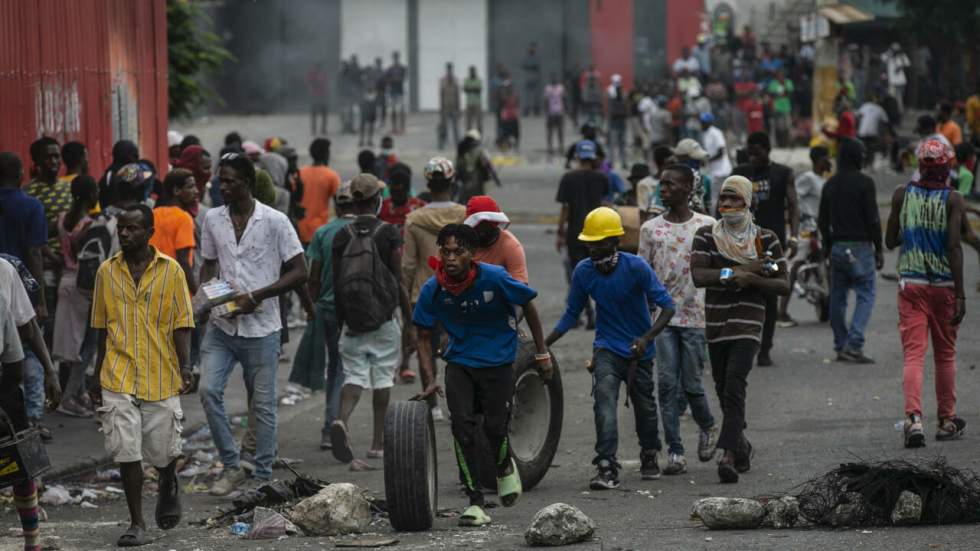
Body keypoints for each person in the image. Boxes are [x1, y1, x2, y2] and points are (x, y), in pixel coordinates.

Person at [414, 224, 552, 526]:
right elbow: (423, 336)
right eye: (445, 252)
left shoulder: (495, 278)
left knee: (494, 427)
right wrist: (430, 379)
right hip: (460, 363)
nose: (451, 258)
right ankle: (475, 501)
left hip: (499, 362)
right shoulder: (433, 288)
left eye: (458, 252)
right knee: (461, 427)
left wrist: (541, 353)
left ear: (472, 255)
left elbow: (528, 304)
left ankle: (503, 465)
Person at [198, 154, 307, 495]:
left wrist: (256, 296)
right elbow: (208, 266)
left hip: (262, 328)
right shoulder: (213, 219)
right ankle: (231, 465)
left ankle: (261, 476)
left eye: (229, 180)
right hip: (223, 326)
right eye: (220, 180)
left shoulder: (275, 221)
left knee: (261, 404)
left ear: (246, 182)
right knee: (207, 390)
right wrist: (213, 296)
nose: (221, 186)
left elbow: (300, 271)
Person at [89, 204, 194, 546]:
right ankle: (137, 522)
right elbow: (101, 328)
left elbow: (182, 324)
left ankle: (168, 480)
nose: (124, 234)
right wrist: (95, 371)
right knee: (126, 451)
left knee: (163, 451)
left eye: (132, 229)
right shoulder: (106, 272)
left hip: (161, 373)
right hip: (117, 374)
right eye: (121, 228)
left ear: (149, 233)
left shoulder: (172, 271)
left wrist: (186, 366)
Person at [547, 207, 675, 488]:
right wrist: (543, 344)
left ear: (615, 241)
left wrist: (646, 338)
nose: (593, 250)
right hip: (606, 347)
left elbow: (667, 307)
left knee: (644, 408)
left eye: (599, 243)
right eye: (590, 243)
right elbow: (572, 315)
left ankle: (650, 452)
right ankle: (606, 464)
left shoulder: (636, 267)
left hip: (638, 351)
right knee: (604, 403)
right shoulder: (583, 272)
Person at [691, 175, 790, 483]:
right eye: (723, 200)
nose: (727, 205)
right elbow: (699, 275)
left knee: (735, 383)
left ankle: (728, 456)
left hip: (748, 322)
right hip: (716, 323)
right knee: (723, 388)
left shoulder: (765, 240)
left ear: (748, 202)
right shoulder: (706, 236)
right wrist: (739, 270)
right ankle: (742, 445)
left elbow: (782, 282)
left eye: (734, 200)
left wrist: (753, 280)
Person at [885, 139, 966, 448]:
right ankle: (946, 420)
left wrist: (909, 226)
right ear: (948, 168)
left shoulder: (902, 195)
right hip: (944, 286)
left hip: (912, 285)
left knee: (914, 355)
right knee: (945, 355)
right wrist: (960, 294)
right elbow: (954, 247)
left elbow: (890, 240)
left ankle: (913, 419)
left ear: (920, 166)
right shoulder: (954, 200)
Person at [638, 165, 718, 475]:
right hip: (662, 321)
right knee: (667, 385)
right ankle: (675, 450)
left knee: (693, 383)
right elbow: (643, 277)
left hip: (697, 316)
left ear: (688, 188)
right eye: (662, 184)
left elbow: (722, 268)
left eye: (671, 184)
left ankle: (708, 425)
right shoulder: (650, 229)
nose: (663, 189)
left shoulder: (707, 226)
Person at [328, 174, 412, 463]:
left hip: (352, 320)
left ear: (352, 201)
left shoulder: (342, 236)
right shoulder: (389, 233)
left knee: (353, 377)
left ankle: (341, 419)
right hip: (383, 320)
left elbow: (338, 284)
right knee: (382, 379)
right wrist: (409, 321)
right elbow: (398, 279)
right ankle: (377, 444)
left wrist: (342, 322)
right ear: (377, 200)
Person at [0, 255, 59, 551]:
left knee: (18, 462)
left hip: (4, 382)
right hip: (6, 376)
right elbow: (15, 357)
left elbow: (27, 326)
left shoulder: (4, 270)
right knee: (17, 463)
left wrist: (50, 370)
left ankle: (32, 542)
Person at [402, 157, 467, 407]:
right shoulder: (463, 215)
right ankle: (457, 402)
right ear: (452, 182)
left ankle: (431, 402)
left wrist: (405, 301)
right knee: (459, 349)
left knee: (424, 347)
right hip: (459, 292)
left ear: (428, 184)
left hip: (424, 294)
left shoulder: (414, 219)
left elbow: (408, 265)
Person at [732, 132, 799, 366]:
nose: (752, 156)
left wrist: (794, 237)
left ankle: (765, 348)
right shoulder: (740, 172)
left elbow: (793, 205)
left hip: (772, 246)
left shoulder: (782, 173)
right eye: (749, 151)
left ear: (767, 149)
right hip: (741, 245)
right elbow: (726, 202)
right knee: (739, 291)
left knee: (769, 295)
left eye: (757, 151)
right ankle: (742, 345)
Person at [818, 138, 883, 364]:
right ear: (857, 156)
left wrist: (828, 246)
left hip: (838, 246)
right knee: (866, 294)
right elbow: (873, 219)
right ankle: (854, 344)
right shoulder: (865, 183)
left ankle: (840, 344)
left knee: (838, 296)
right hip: (861, 247)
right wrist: (879, 249)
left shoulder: (830, 184)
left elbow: (822, 220)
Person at [304, 181, 355, 450]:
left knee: (335, 366)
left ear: (336, 205)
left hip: (326, 308)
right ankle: (334, 425)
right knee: (343, 369)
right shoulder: (361, 231)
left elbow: (313, 277)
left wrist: (310, 308)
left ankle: (331, 426)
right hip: (356, 310)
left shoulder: (323, 233)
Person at [52, 176, 99, 417]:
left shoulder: (61, 219)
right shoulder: (89, 224)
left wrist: (56, 259)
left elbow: (45, 243)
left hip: (64, 281)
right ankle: (69, 398)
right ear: (91, 195)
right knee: (87, 344)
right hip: (82, 285)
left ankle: (76, 395)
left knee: (72, 343)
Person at [556, 140, 610, 329]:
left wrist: (560, 233)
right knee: (600, 275)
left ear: (577, 157)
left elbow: (565, 209)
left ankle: (588, 313)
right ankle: (598, 314)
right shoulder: (602, 178)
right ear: (593, 157)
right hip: (598, 234)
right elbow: (605, 205)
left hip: (575, 234)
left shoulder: (568, 178)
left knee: (579, 275)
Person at [778, 146, 830, 326]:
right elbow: (794, 200)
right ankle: (782, 311)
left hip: (821, 229)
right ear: (817, 160)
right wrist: (802, 217)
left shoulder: (823, 180)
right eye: (825, 158)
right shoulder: (808, 178)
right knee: (796, 264)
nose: (828, 162)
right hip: (807, 229)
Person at [24, 137, 68, 331]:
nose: (54, 161)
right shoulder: (29, 192)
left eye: (57, 156)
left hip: (70, 267)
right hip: (46, 266)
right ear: (37, 161)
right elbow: (30, 233)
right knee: (49, 321)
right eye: (48, 157)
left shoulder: (68, 188)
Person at [150, 171, 198, 294]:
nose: (196, 191)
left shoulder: (153, 214)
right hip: (176, 291)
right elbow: (183, 260)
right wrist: (197, 293)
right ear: (176, 191)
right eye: (190, 187)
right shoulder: (184, 218)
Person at [464, 196, 528, 283]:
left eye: (488, 227)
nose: (483, 233)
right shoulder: (458, 243)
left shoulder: (511, 246)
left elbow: (521, 288)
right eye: (479, 229)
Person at [297, 138, 341, 245]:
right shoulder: (331, 175)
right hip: (321, 230)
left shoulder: (300, 172)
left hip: (299, 229)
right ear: (326, 154)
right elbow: (339, 203)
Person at [456, 129, 500, 205]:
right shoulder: (480, 151)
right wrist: (495, 178)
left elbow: (457, 169)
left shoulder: (462, 152)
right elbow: (488, 166)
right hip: (477, 185)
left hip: (464, 185)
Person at [700, 113, 732, 207]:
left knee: (714, 197)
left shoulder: (715, 132)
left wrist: (707, 160)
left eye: (703, 122)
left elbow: (721, 152)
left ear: (709, 123)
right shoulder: (705, 134)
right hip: (714, 171)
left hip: (721, 170)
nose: (701, 124)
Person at [856, 96, 890, 168]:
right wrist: (886, 134)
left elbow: (858, 116)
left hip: (863, 131)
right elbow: (886, 121)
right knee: (870, 149)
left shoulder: (865, 106)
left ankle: (863, 164)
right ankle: (868, 164)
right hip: (872, 132)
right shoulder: (879, 109)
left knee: (863, 148)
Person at [767, 70, 794, 147]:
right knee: (778, 127)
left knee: (788, 127)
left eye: (782, 75)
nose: (781, 77)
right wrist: (782, 93)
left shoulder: (788, 82)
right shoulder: (773, 83)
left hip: (786, 108)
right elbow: (771, 94)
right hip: (776, 108)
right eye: (779, 75)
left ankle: (789, 143)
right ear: (777, 76)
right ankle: (778, 144)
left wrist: (782, 88)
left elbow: (789, 93)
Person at [607, 75, 629, 169]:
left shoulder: (623, 101)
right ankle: (611, 162)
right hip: (614, 125)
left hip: (621, 124)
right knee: (613, 144)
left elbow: (626, 112)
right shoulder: (612, 100)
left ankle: (623, 162)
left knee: (622, 144)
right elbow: (613, 113)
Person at [881, 43, 910, 112]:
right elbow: (882, 58)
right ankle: (895, 111)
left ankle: (899, 110)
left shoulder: (902, 56)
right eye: (894, 49)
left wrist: (901, 65)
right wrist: (890, 53)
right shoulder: (888, 56)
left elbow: (907, 63)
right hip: (892, 81)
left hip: (902, 81)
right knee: (892, 97)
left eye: (897, 49)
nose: (895, 51)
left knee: (900, 97)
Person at [439, 63, 461, 150]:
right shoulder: (443, 80)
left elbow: (458, 95)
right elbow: (441, 95)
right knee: (444, 127)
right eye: (448, 69)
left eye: (450, 69)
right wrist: (441, 108)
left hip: (454, 107)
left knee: (455, 127)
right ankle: (442, 143)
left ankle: (457, 144)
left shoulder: (455, 81)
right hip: (445, 107)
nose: (449, 70)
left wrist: (459, 108)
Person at [544, 74, 566, 157]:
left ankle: (561, 147)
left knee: (560, 131)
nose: (554, 80)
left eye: (555, 79)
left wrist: (565, 110)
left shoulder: (561, 88)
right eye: (553, 79)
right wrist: (546, 112)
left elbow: (564, 99)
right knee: (550, 131)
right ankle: (550, 147)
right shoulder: (548, 88)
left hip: (559, 112)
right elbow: (545, 101)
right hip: (551, 113)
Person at [386, 52, 408, 134]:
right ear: (393, 58)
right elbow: (387, 79)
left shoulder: (402, 68)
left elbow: (404, 78)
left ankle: (402, 128)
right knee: (393, 111)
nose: (395, 59)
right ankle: (394, 128)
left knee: (402, 110)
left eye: (396, 57)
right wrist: (394, 80)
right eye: (394, 57)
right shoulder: (390, 69)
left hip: (400, 91)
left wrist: (394, 79)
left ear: (398, 58)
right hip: (393, 91)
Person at [307, 62, 328, 135]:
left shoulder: (322, 73)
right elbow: (309, 83)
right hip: (316, 96)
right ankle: (315, 129)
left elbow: (325, 83)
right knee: (315, 114)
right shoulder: (313, 73)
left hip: (321, 95)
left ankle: (322, 129)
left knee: (323, 113)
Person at [522, 42, 542, 116]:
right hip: (528, 77)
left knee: (536, 95)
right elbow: (524, 64)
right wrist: (531, 65)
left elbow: (537, 65)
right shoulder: (527, 57)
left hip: (535, 77)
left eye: (533, 48)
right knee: (527, 96)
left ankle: (536, 110)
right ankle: (526, 110)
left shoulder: (537, 57)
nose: (531, 49)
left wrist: (531, 65)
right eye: (530, 48)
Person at [463, 66, 483, 134]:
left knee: (479, 122)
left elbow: (479, 90)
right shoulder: (466, 80)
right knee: (468, 122)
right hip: (469, 103)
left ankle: (479, 136)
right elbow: (465, 90)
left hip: (477, 103)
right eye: (471, 71)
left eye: (473, 71)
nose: (472, 72)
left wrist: (470, 89)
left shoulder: (478, 80)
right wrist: (474, 88)